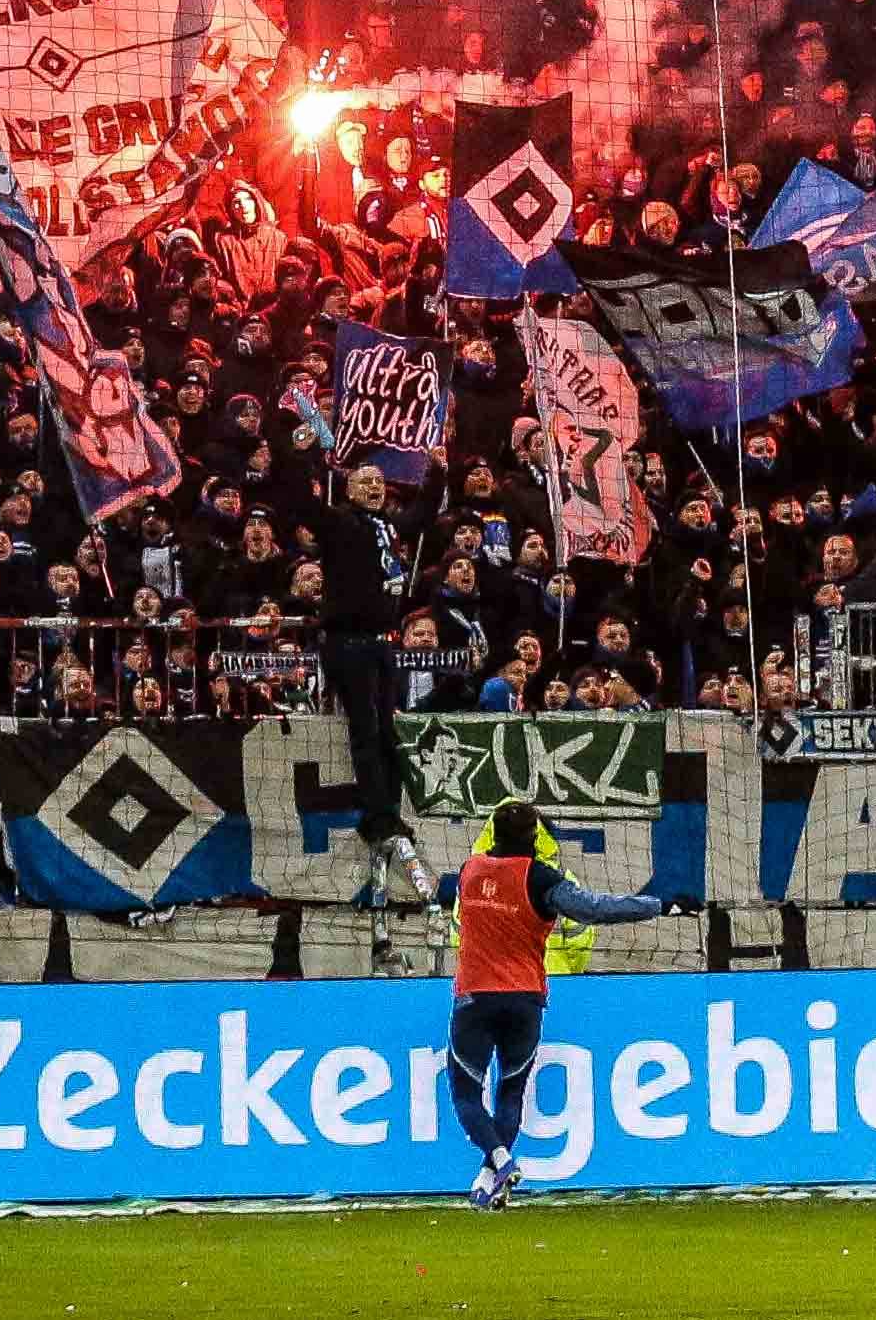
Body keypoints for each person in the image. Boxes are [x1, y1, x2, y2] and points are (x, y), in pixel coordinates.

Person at [448, 799, 661, 1208]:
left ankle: (498, 1161)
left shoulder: (468, 872)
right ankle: (487, 1180)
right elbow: (595, 909)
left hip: (475, 997)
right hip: (525, 999)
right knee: (510, 1094)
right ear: (535, 836)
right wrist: (657, 905)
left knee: (466, 1097)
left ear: (493, 831)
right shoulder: (543, 879)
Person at [317, 459, 430, 906]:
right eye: (366, 481)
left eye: (380, 480)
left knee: (388, 732)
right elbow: (303, 508)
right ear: (347, 490)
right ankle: (378, 818)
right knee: (365, 730)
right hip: (349, 642)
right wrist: (303, 451)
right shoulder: (341, 524)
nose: (375, 487)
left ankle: (390, 814)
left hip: (383, 644)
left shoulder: (388, 526)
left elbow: (419, 518)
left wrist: (436, 470)